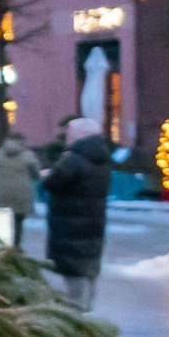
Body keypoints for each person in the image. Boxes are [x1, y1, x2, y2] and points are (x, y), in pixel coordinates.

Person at [42, 117, 114, 309]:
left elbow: (54, 182)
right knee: (87, 268)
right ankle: (88, 308)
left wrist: (47, 174)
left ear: (79, 135)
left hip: (69, 224)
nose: (67, 137)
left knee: (73, 271)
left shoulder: (73, 158)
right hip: (92, 222)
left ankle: (76, 314)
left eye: (69, 133)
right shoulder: (102, 157)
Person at [0, 128, 40, 253]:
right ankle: (16, 246)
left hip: (1, 193)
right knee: (18, 222)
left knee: (3, 220)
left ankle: (2, 246)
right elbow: (36, 174)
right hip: (21, 194)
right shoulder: (28, 156)